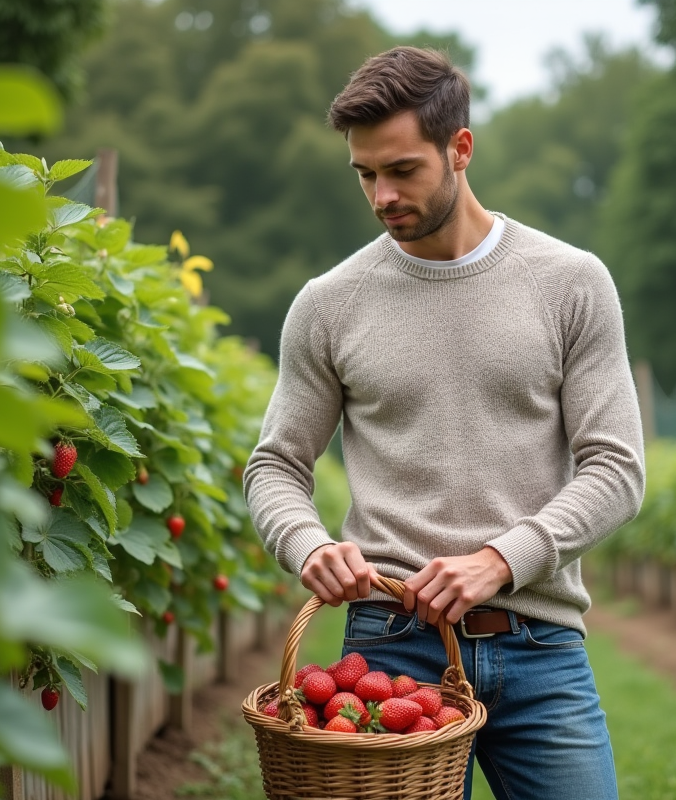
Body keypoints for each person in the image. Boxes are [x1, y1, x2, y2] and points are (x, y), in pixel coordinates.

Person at [243, 45, 644, 800]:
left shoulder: (571, 283)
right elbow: (275, 466)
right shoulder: (329, 304)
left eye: (402, 170)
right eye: (365, 174)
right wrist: (308, 545)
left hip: (541, 645)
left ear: (460, 149)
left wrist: (501, 559)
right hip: (389, 651)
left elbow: (617, 471)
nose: (381, 195)